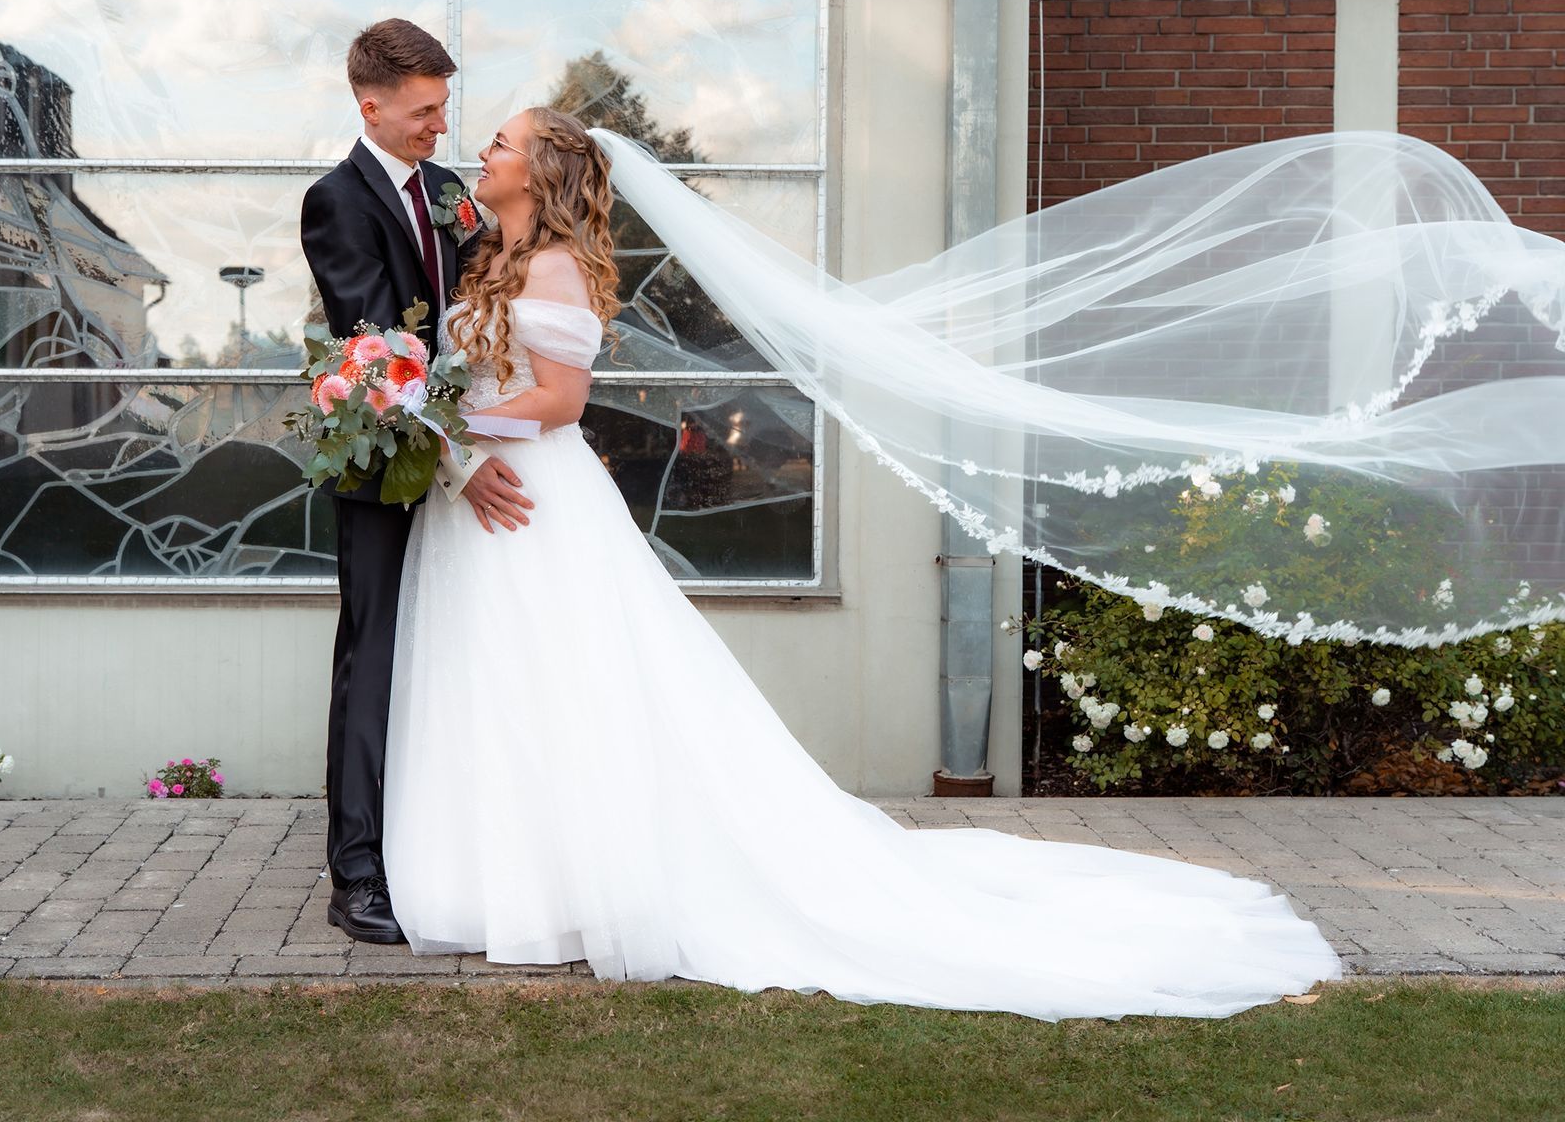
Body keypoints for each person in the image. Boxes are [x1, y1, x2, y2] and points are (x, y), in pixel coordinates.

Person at [379, 105, 1347, 1021]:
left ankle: (578, 884)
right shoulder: (489, 259)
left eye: (502, 142)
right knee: (499, 687)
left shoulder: (552, 267)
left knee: (568, 687)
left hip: (535, 502)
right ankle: (506, 878)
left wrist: (449, 426)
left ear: (540, 172)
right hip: (482, 502)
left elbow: (559, 399)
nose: (485, 152)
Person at [298, 19, 533, 945]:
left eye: (444, 106)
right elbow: (377, 357)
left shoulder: (449, 193)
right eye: (425, 110)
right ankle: (356, 872)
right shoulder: (336, 202)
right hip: (387, 474)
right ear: (373, 106)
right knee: (375, 661)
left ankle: (442, 847)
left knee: (450, 663)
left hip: (466, 449)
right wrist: (459, 463)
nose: (442, 125)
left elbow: (482, 317)